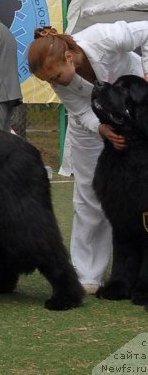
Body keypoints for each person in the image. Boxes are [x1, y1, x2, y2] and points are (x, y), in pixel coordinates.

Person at [27, 20, 148, 294]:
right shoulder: (59, 80)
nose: (53, 84)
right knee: (87, 195)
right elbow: (81, 112)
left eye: (55, 77)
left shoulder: (104, 37)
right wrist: (101, 129)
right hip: (92, 126)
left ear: (69, 58)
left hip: (137, 113)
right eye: (48, 81)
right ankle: (88, 274)